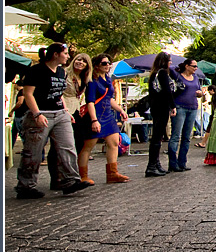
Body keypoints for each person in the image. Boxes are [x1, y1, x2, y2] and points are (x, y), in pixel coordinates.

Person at [15, 43, 92, 199]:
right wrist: (37, 114)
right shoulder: (36, 71)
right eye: (65, 53)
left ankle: (70, 181)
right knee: (33, 152)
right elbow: (28, 94)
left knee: (68, 147)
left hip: (60, 114)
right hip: (40, 114)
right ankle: (26, 186)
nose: (68, 56)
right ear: (55, 54)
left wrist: (65, 111)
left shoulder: (61, 72)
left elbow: (59, 94)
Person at [76, 53, 130, 184]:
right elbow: (90, 102)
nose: (108, 65)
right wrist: (94, 120)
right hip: (96, 114)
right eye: (104, 63)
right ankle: (82, 175)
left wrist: (121, 110)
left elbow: (109, 98)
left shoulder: (107, 78)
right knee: (88, 147)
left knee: (114, 142)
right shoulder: (92, 81)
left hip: (108, 115)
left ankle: (112, 173)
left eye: (108, 63)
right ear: (96, 66)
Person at [47, 52, 92, 188]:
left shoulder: (84, 78)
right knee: (57, 145)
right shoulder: (63, 73)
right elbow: (57, 91)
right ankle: (56, 178)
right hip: (62, 108)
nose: (80, 62)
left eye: (84, 61)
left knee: (77, 142)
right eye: (78, 59)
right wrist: (65, 109)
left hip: (77, 110)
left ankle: (68, 175)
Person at [169, 59, 203, 172]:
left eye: (196, 66)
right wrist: (179, 67)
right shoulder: (178, 76)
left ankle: (182, 162)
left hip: (193, 107)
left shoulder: (196, 78)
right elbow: (170, 68)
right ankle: (173, 163)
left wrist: (200, 93)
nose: (195, 68)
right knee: (176, 135)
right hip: (180, 107)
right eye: (193, 66)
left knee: (187, 137)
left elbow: (199, 91)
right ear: (187, 66)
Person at [146, 52, 176, 177]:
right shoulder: (163, 73)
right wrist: (172, 106)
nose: (171, 63)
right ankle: (152, 165)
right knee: (157, 136)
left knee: (157, 136)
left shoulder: (154, 74)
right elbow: (167, 91)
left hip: (155, 106)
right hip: (161, 106)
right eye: (169, 60)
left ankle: (156, 163)